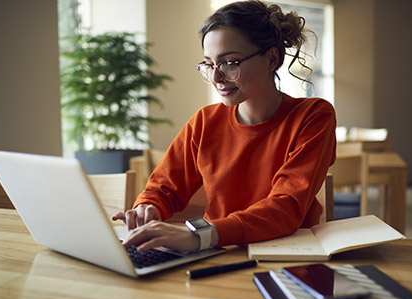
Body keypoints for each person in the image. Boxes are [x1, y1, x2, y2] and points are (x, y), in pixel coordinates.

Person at [112, 0, 336, 253]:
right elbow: (163, 189)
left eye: (230, 63)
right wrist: (147, 208)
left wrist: (199, 235)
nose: (216, 78)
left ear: (271, 58)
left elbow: (285, 208)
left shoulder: (314, 116)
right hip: (218, 254)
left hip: (288, 259)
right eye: (209, 64)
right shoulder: (204, 121)